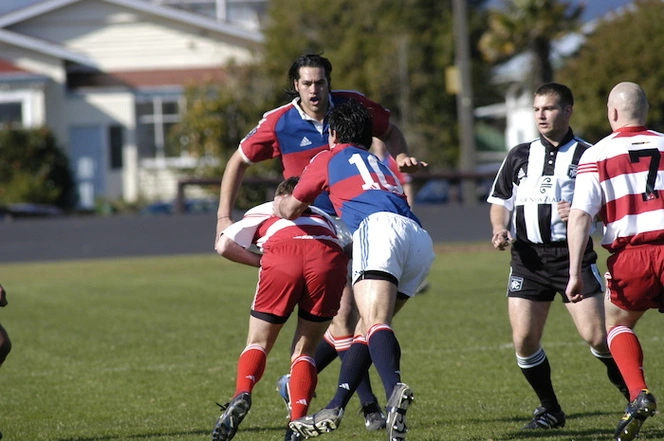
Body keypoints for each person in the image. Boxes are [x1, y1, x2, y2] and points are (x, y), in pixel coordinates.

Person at [215, 53, 414, 429]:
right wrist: (224, 216)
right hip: (312, 230)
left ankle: (306, 388)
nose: (314, 90)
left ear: (329, 81)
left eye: (320, 82)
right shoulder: (280, 121)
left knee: (352, 321)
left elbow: (390, 130)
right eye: (306, 83)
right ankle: (365, 406)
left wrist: (400, 156)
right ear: (295, 85)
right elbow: (236, 161)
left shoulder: (352, 107)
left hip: (359, 224)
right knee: (345, 318)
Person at [274, 99, 434, 441]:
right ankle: (336, 405)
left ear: (333, 133)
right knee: (365, 328)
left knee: (376, 322)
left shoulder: (327, 158)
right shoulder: (379, 163)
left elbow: (290, 208)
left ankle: (393, 395)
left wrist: (277, 204)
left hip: (377, 232)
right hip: (418, 240)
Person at [487, 82, 628, 430]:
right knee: (524, 340)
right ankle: (550, 409)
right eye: (536, 109)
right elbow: (500, 201)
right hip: (527, 259)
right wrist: (500, 229)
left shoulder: (589, 154)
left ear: (567, 111)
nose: (541, 115)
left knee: (598, 337)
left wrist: (584, 213)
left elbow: (610, 205)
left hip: (572, 258)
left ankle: (635, 397)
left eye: (548, 108)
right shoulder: (519, 154)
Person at [211, 177, 350, 441]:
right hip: (328, 259)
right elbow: (348, 246)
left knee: (259, 342)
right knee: (304, 350)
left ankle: (242, 392)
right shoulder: (323, 214)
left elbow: (223, 245)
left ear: (280, 195)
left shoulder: (266, 208)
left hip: (282, 256)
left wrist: (263, 261)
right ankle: (296, 422)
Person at [566, 81, 662, 441]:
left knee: (618, 323)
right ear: (646, 111)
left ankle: (638, 394)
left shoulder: (597, 154)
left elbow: (579, 217)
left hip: (631, 256)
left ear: (613, 113)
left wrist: (575, 271)